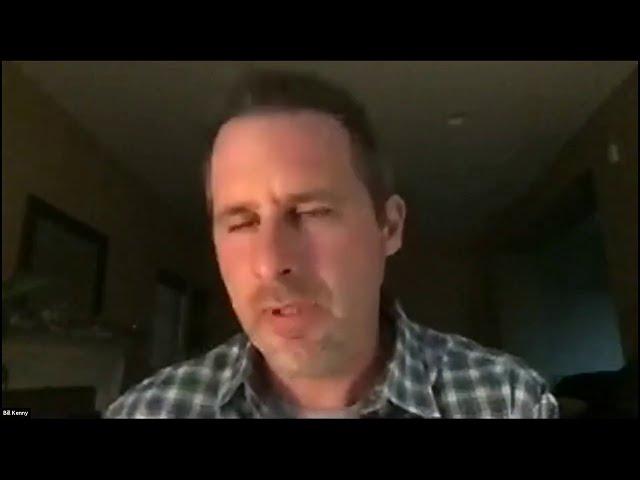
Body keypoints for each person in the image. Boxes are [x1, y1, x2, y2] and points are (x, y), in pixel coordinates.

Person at [105, 69, 558, 418]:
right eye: (242, 223)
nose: (271, 262)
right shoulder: (147, 412)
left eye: (311, 213)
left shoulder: (510, 401)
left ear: (389, 226)